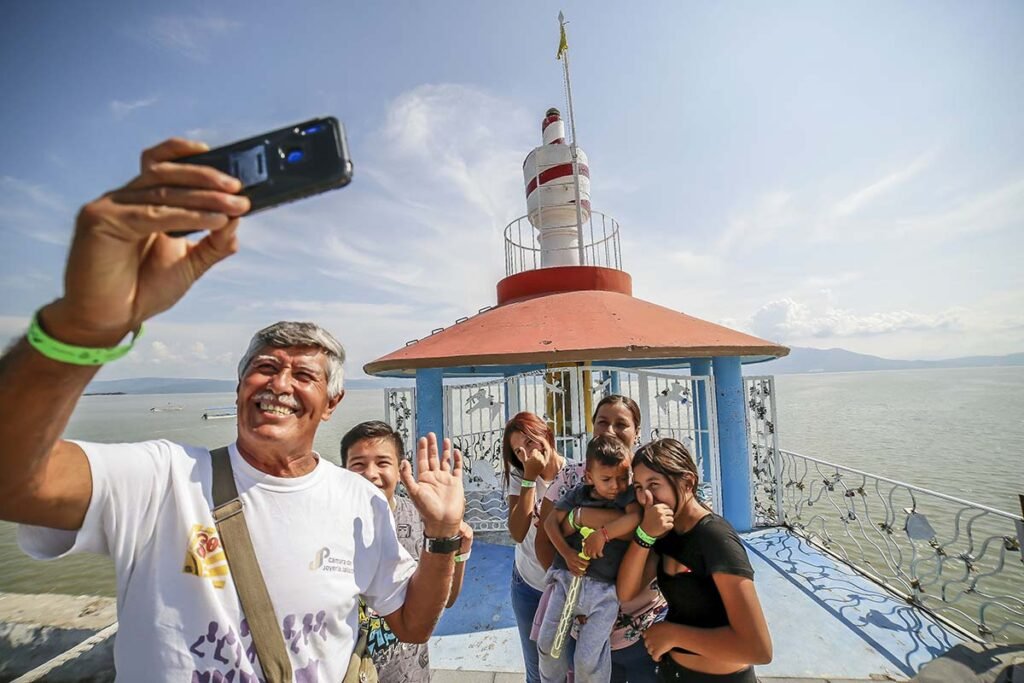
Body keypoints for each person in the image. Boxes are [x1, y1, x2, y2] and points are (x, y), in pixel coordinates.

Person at [0, 138, 465, 681]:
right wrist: (81, 327)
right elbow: (15, 479)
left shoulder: (359, 500)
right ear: (239, 385)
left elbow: (411, 624)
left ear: (332, 402)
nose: (279, 384)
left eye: (305, 374)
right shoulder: (163, 478)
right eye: (265, 367)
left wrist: (443, 535)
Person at [618, 439, 772, 683]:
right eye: (638, 486)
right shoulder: (666, 532)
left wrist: (673, 635)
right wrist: (644, 535)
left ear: (688, 482)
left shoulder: (714, 536)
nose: (645, 497)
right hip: (675, 673)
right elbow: (626, 592)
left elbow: (758, 648)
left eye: (654, 484)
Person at [535, 394, 665, 682]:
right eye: (602, 422)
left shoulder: (644, 480)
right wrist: (571, 549)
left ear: (637, 431)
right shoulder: (574, 479)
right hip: (577, 599)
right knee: (555, 650)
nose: (610, 430)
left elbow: (646, 524)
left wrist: (593, 524)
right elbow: (548, 529)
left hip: (642, 621)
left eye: (621, 424)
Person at [340, 421, 474, 682]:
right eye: (358, 464)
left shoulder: (422, 522)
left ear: (401, 470)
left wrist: (456, 552)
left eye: (382, 462)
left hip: (410, 672)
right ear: (343, 471)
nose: (370, 474)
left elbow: (446, 600)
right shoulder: (328, 527)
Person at [538, 434, 641, 682]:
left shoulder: (627, 498)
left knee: (587, 661)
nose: (616, 485)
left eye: (622, 478)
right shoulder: (577, 494)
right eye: (607, 479)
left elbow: (635, 520)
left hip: (604, 593)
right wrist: (567, 554)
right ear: (589, 477)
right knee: (548, 646)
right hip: (567, 581)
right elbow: (550, 523)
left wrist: (603, 534)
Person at [503, 412, 568, 683]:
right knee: (537, 671)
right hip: (528, 585)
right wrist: (530, 478)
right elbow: (518, 532)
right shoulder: (520, 478)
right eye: (518, 451)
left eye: (530, 442)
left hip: (567, 588)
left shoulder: (575, 473)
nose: (526, 453)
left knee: (570, 666)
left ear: (547, 436)